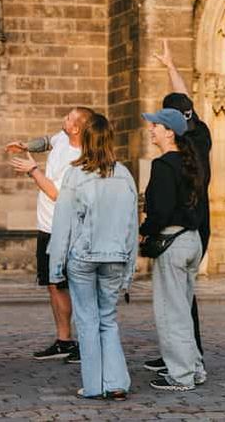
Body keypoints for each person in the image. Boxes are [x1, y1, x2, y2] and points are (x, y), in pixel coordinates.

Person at [48, 113, 138, 400]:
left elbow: (62, 224)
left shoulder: (75, 175)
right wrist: (129, 269)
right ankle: (116, 383)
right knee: (108, 319)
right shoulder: (124, 175)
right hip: (115, 256)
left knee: (88, 321)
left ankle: (94, 385)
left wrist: (55, 267)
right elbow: (132, 225)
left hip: (84, 256)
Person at [144, 40, 212, 374]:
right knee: (184, 297)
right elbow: (185, 103)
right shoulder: (198, 139)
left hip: (176, 228)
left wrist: (144, 232)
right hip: (198, 226)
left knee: (177, 302)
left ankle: (183, 361)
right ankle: (187, 357)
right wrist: (171, 67)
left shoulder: (171, 158)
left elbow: (160, 209)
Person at [6, 106, 94, 363]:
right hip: (46, 226)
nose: (64, 119)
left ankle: (85, 343)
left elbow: (57, 194)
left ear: (77, 128)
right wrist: (26, 145)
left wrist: (33, 170)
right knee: (53, 285)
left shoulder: (78, 158)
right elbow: (47, 141)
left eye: (69, 118)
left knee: (69, 285)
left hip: (64, 229)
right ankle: (64, 340)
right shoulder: (63, 138)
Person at [140, 108, 206, 391]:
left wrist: (145, 231)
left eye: (155, 125)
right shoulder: (191, 163)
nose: (151, 130)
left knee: (171, 312)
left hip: (173, 242)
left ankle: (181, 376)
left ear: (170, 132)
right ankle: (195, 369)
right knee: (183, 308)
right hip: (191, 240)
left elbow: (162, 210)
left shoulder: (164, 165)